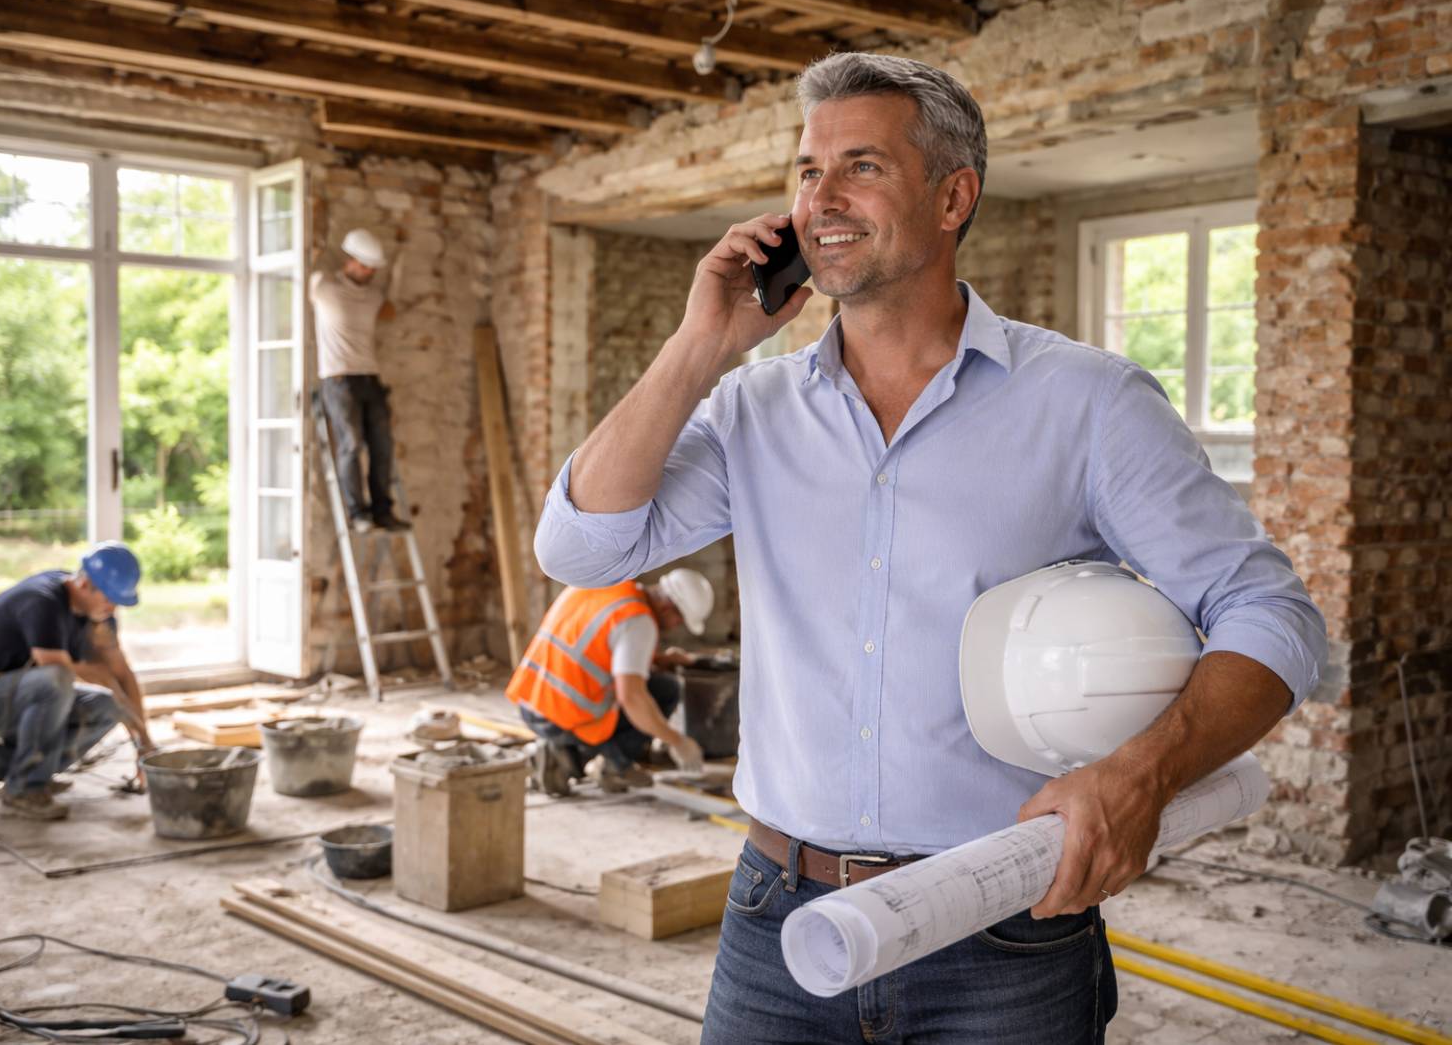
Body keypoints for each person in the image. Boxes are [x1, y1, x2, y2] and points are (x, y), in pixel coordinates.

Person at [534, 52, 1326, 1042]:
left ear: (954, 196)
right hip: (779, 917)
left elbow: (1273, 614)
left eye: (860, 166)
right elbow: (580, 545)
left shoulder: (1085, 402)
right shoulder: (751, 409)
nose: (820, 197)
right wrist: (700, 346)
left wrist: (1142, 772)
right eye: (806, 170)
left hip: (1005, 924)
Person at [0, 542, 153, 821]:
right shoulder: (42, 601)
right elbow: (62, 670)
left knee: (106, 706)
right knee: (55, 681)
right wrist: (104, 674)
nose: (113, 608)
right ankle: (24, 791)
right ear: (84, 584)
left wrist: (145, 742)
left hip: (16, 697)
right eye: (108, 598)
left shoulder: (98, 615)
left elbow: (121, 674)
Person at [506, 568, 714, 795]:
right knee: (665, 690)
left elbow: (594, 648)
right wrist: (676, 741)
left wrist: (659, 659)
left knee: (643, 688)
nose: (676, 626)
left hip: (531, 703)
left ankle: (560, 752)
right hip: (564, 715)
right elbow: (631, 697)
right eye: (679, 620)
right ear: (667, 607)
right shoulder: (638, 621)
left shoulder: (604, 585)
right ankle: (592, 763)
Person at [312, 227, 409, 534]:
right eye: (364, 266)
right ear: (349, 261)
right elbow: (304, 270)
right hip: (338, 379)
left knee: (383, 447)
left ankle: (383, 511)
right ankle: (358, 513)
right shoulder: (323, 287)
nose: (368, 273)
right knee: (351, 445)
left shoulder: (373, 297)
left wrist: (400, 267)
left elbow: (392, 311)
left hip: (370, 377)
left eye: (372, 268)